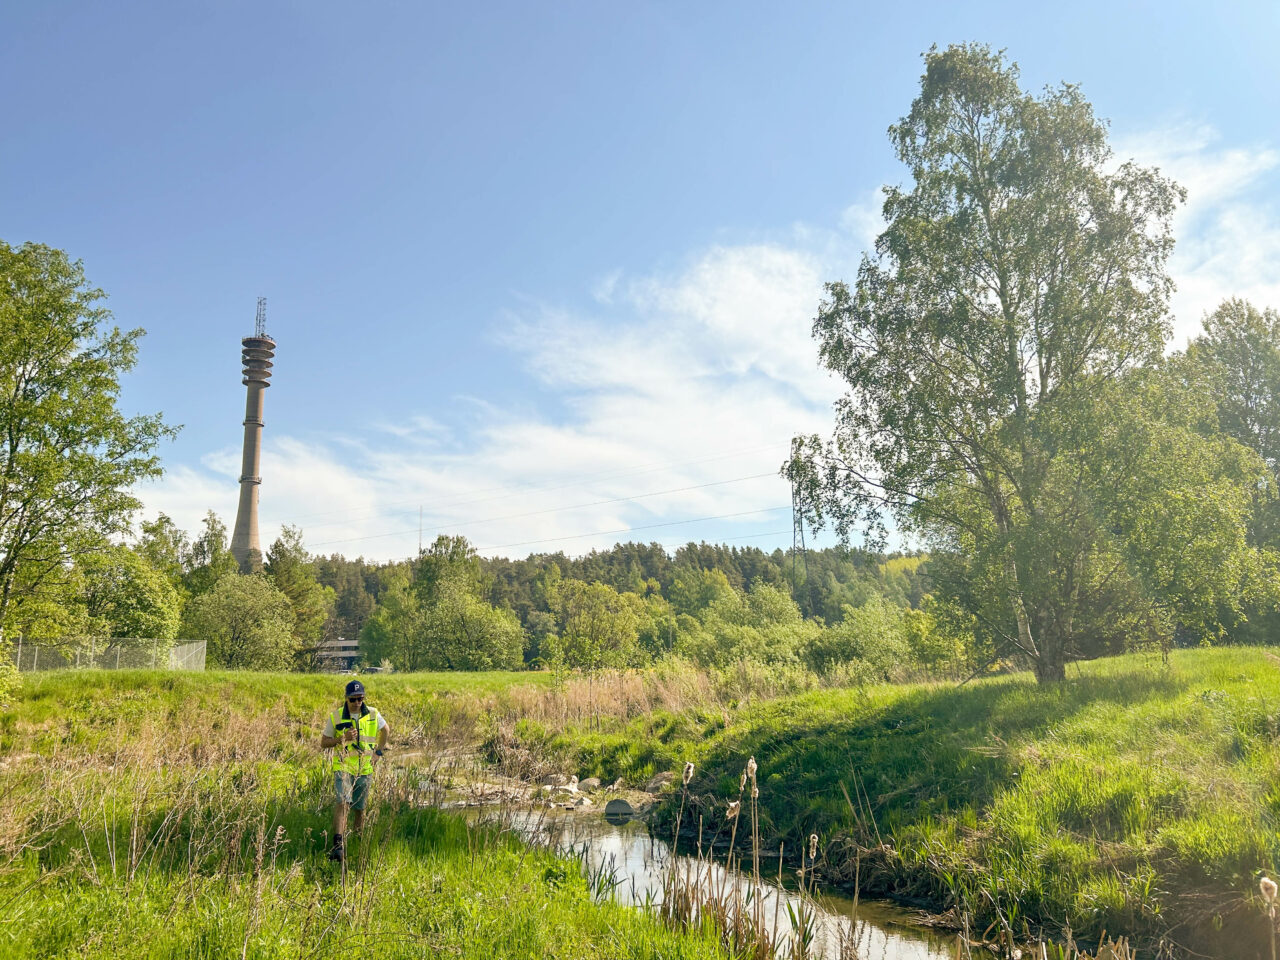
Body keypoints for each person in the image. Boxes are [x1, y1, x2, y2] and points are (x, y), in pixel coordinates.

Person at [319, 679, 389, 862]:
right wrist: (342, 738)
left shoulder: (373, 713)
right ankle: (338, 844)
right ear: (346, 699)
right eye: (354, 699)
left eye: (361, 698)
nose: (358, 702)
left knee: (360, 808)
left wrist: (378, 753)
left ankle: (358, 840)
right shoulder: (336, 717)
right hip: (343, 767)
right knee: (343, 802)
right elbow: (324, 743)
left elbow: (386, 731)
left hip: (365, 768)